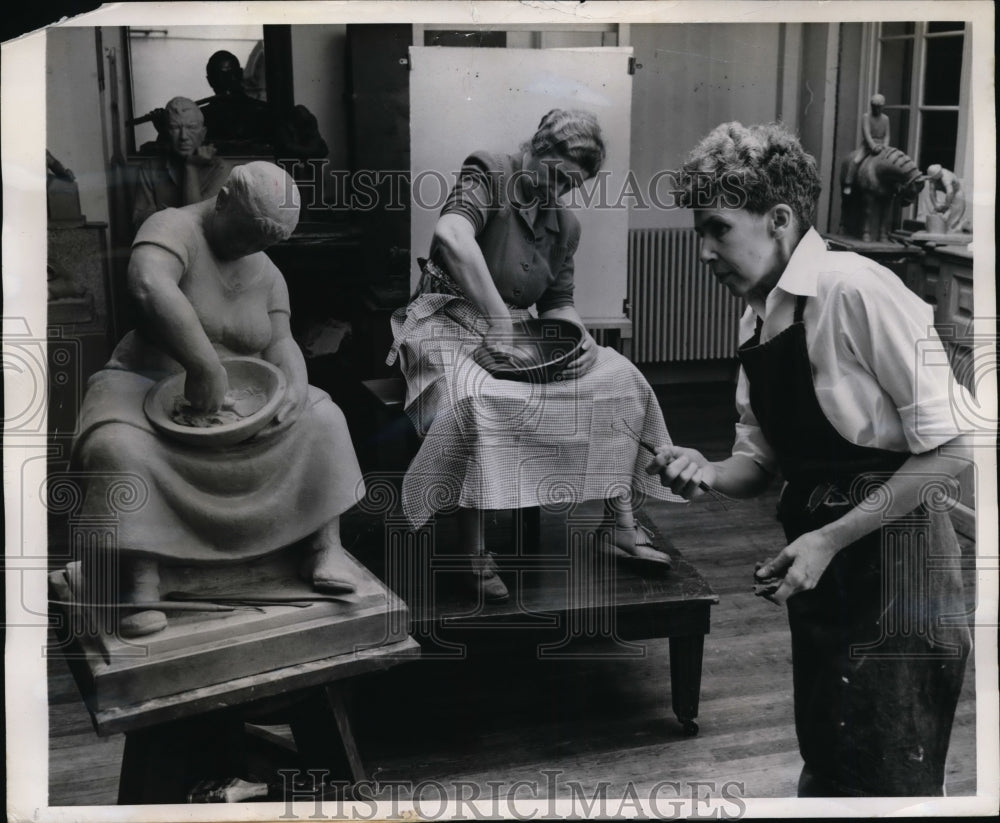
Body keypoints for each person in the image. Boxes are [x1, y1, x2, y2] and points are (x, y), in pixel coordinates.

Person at [650, 122, 972, 796]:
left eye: (717, 229)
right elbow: (759, 465)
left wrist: (829, 537)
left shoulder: (855, 291)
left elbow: (952, 448)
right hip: (824, 571)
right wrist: (705, 469)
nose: (704, 252)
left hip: (897, 571)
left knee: (889, 771)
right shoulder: (756, 316)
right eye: (697, 233)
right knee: (829, 755)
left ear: (779, 218)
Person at [387, 109, 683, 602]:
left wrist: (580, 338)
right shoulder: (488, 171)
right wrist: (499, 322)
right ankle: (473, 549)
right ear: (537, 148)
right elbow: (452, 237)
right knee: (475, 397)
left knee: (620, 378)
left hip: (515, 329)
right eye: (555, 176)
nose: (558, 193)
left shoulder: (564, 224)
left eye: (570, 186)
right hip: (442, 319)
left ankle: (620, 523)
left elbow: (559, 304)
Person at [72, 162, 365, 633]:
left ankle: (321, 548)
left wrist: (292, 385)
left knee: (322, 417)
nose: (252, 249)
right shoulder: (172, 226)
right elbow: (149, 285)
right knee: (115, 446)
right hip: (147, 381)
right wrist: (203, 364)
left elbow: (282, 340)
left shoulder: (264, 268)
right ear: (224, 197)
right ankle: (143, 578)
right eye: (246, 235)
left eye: (263, 243)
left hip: (243, 396)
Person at [131, 96, 233, 233]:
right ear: (166, 133)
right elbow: (140, 223)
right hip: (163, 244)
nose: (183, 136)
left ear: (203, 134)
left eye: (191, 127)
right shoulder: (149, 169)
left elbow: (197, 223)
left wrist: (191, 166)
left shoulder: (221, 170)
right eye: (175, 128)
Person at [200, 50, 274, 153]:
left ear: (240, 74)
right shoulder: (200, 117)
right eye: (219, 76)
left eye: (231, 74)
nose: (226, 82)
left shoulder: (263, 111)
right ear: (210, 81)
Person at [842, 93, 891, 195]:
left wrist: (885, 146)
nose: (876, 109)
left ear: (882, 107)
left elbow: (887, 135)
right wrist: (873, 146)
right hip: (868, 146)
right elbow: (867, 133)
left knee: (891, 163)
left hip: (882, 146)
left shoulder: (885, 119)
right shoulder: (866, 117)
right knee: (856, 161)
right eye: (874, 107)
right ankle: (848, 183)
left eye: (879, 107)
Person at [919, 164, 969, 233]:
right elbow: (931, 191)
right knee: (941, 216)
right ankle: (943, 231)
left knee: (952, 219)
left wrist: (946, 207)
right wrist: (936, 204)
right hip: (949, 195)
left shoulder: (946, 177)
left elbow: (950, 192)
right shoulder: (933, 177)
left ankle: (960, 226)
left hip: (957, 195)